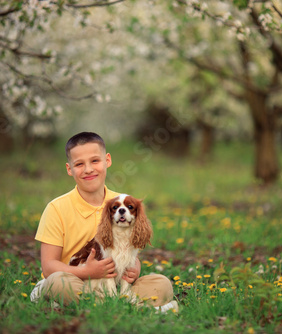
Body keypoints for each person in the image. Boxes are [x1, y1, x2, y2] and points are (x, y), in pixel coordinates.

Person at [30, 132, 178, 312]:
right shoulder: (56, 208)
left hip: (114, 284)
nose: (88, 169)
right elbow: (48, 266)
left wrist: (135, 269)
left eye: (95, 161)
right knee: (56, 283)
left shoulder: (121, 203)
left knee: (162, 284)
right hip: (74, 280)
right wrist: (87, 272)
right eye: (79, 164)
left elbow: (128, 252)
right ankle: (134, 308)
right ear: (69, 169)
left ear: (107, 160)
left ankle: (92, 306)